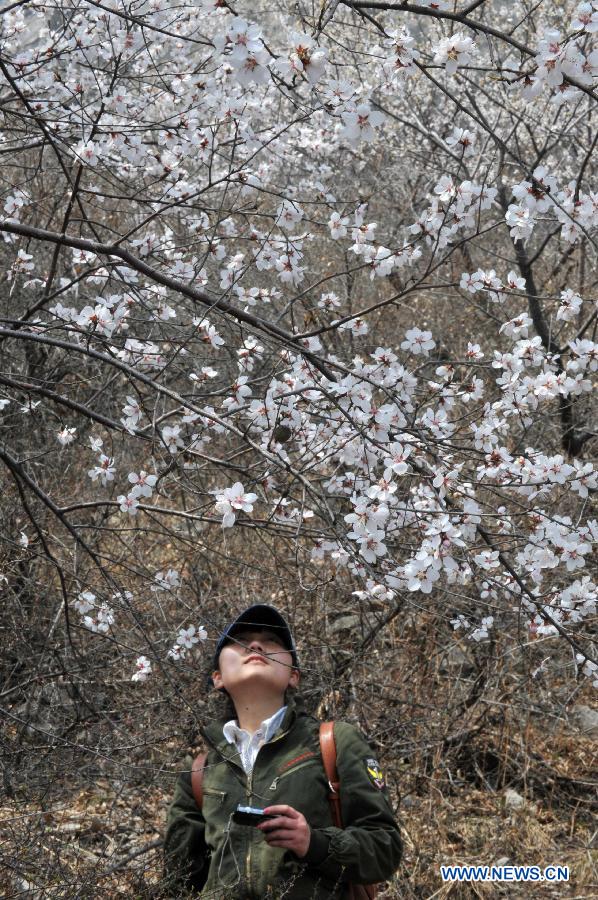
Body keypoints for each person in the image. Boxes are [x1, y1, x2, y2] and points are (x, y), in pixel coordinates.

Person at [164, 604, 402, 898]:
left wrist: (313, 843)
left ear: (294, 676)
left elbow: (385, 848)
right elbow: (177, 879)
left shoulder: (334, 742)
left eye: (272, 641)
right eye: (240, 641)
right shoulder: (199, 770)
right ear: (218, 678)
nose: (255, 645)